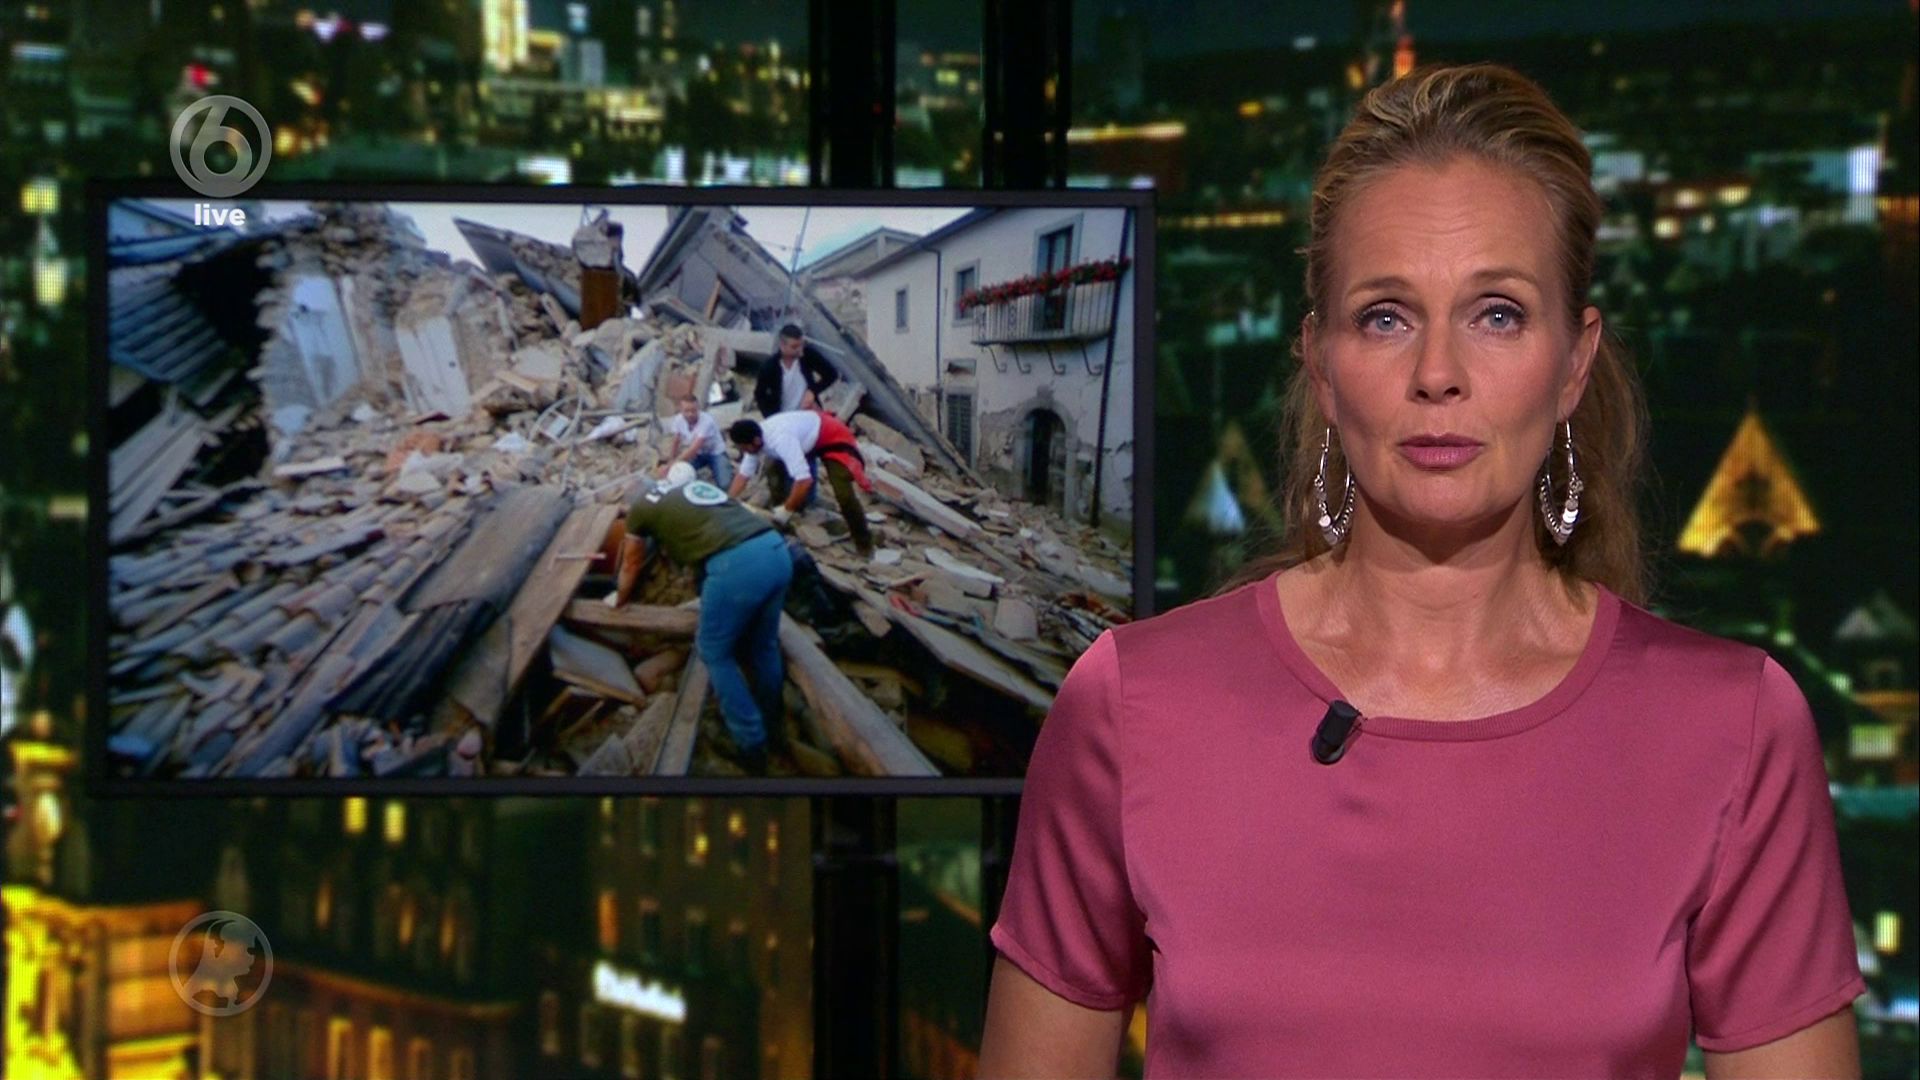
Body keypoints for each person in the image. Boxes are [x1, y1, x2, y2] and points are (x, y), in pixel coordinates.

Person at [978, 64, 1864, 1078]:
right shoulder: (1133, 706)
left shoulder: (1734, 730)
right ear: (1320, 362)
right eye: (1386, 317)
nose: (1437, 374)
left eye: (1498, 314)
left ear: (1575, 363)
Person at [609, 462, 790, 774]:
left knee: (714, 651)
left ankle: (751, 743)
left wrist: (620, 599)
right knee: (764, 646)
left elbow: (631, 563)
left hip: (737, 566)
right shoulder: (690, 491)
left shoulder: (639, 509)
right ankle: (775, 727)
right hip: (775, 550)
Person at [727, 409, 875, 558]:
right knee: (775, 472)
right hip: (805, 439)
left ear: (756, 441)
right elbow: (743, 475)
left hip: (832, 437)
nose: (743, 451)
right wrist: (727, 501)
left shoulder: (781, 440)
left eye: (744, 448)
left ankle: (864, 543)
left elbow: (804, 480)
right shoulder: (753, 441)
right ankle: (787, 516)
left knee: (844, 495)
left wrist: (787, 510)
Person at [753, 323, 840, 417]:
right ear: (782, 346)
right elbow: (760, 395)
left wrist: (812, 391)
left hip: (809, 413)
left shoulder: (808, 355)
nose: (799, 349)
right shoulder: (769, 367)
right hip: (785, 417)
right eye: (794, 347)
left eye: (801, 345)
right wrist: (772, 417)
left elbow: (831, 374)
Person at [661, 394, 733, 488]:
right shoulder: (678, 420)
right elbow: (676, 441)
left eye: (693, 410)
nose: (690, 414)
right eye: (686, 411)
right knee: (679, 474)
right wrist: (670, 461)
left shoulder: (707, 421)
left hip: (715, 453)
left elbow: (694, 448)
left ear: (698, 408)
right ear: (681, 409)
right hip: (698, 455)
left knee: (724, 484)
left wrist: (673, 464)